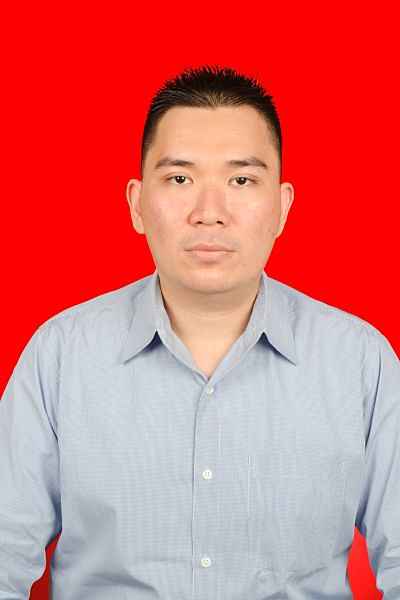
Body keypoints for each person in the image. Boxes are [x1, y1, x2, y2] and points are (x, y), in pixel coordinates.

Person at [0, 64, 399, 599]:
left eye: (241, 180)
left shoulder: (360, 362)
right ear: (137, 203)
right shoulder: (61, 355)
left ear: (282, 207)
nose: (210, 213)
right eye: (180, 179)